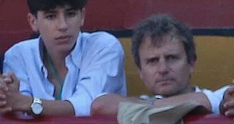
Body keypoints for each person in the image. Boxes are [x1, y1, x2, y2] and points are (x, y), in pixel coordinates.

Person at [0, 0, 127, 117]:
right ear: (33, 21)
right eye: (51, 16)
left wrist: (28, 104)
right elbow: (19, 111)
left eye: (71, 14)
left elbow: (89, 106)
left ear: (82, 16)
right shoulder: (19, 55)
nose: (63, 25)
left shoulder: (104, 47)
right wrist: (3, 97)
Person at [90, 14, 220, 115]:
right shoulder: (143, 101)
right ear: (140, 71)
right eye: (152, 61)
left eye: (171, 58)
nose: (163, 69)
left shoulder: (219, 99)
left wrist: (144, 108)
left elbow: (205, 102)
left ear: (191, 63)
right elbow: (99, 105)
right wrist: (158, 104)